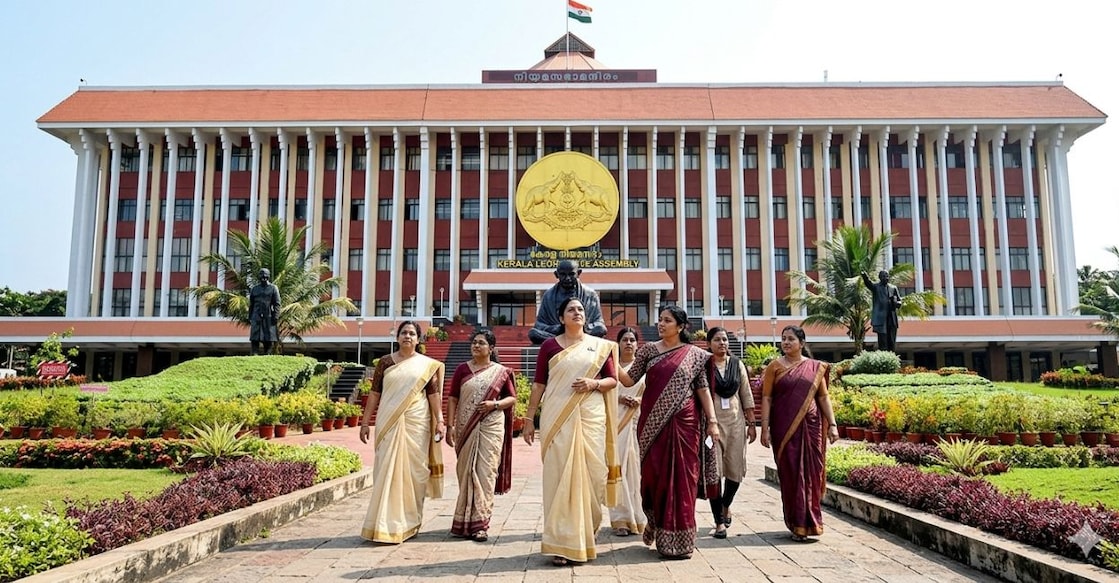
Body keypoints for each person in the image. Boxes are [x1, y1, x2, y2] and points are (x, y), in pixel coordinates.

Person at [617, 305, 721, 560]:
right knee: (653, 478)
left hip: (685, 425)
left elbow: (703, 389)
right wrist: (607, 356)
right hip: (652, 426)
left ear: (681, 326)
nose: (660, 324)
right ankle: (654, 519)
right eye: (660, 320)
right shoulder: (649, 351)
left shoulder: (695, 355)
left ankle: (680, 540)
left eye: (667, 320)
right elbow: (629, 380)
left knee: (683, 480)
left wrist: (713, 421)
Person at [522, 297, 620, 566]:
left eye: (580, 309)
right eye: (570, 310)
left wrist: (592, 382)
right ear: (561, 317)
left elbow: (612, 380)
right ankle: (561, 542)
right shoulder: (549, 347)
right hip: (558, 417)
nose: (577, 313)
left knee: (592, 474)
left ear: (586, 317)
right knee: (558, 476)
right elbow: (539, 384)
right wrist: (530, 418)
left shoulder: (599, 347)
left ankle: (586, 534)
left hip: (591, 415)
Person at [358, 321, 447, 544]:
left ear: (418, 339)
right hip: (389, 422)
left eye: (412, 333)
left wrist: (440, 420)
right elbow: (375, 394)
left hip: (417, 424)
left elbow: (433, 395)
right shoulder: (385, 363)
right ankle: (382, 524)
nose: (407, 336)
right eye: (403, 333)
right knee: (386, 469)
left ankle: (409, 522)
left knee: (414, 472)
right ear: (397, 337)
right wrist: (365, 422)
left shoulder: (426, 365)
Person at [759, 325, 840, 542]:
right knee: (791, 474)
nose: (786, 342)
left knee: (812, 474)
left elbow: (823, 398)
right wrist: (764, 428)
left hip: (812, 427)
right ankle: (796, 523)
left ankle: (811, 522)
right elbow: (767, 398)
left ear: (802, 343)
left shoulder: (815, 367)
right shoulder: (774, 367)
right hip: (784, 427)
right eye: (784, 339)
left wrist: (832, 424)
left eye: (791, 339)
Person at [446, 329, 516, 543]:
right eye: (474, 343)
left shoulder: (501, 371)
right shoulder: (461, 370)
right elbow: (452, 399)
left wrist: (494, 404)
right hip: (465, 427)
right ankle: (463, 522)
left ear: (491, 348)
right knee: (466, 472)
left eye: (481, 343)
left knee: (485, 474)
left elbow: (512, 399)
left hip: (491, 426)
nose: (476, 346)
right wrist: (450, 426)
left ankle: (481, 524)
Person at [705, 326, 757, 539]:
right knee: (714, 473)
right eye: (717, 340)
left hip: (736, 423)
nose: (722, 343)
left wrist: (752, 424)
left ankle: (726, 505)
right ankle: (719, 522)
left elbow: (746, 393)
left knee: (735, 471)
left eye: (725, 339)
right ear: (709, 344)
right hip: (712, 425)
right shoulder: (704, 366)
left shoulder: (738, 365)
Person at [608, 326, 647, 537]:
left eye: (632, 340)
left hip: (636, 423)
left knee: (636, 472)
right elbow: (602, 395)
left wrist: (639, 400)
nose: (629, 343)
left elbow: (651, 395)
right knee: (617, 469)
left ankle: (639, 517)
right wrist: (620, 398)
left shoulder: (643, 370)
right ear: (618, 344)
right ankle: (619, 519)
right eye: (625, 340)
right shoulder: (611, 369)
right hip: (615, 424)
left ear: (637, 344)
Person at [528, 259, 607, 345]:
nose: (567, 278)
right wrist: (558, 328)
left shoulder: (590, 294)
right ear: (556, 274)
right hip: (557, 333)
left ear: (578, 273)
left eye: (571, 274)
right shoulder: (548, 295)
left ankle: (569, 339)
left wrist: (580, 327)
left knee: (600, 330)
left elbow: (599, 323)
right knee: (533, 333)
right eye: (563, 274)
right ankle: (566, 339)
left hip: (582, 332)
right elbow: (539, 325)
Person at [861, 270, 902, 352]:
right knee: (883, 341)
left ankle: (892, 358)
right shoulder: (876, 287)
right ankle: (884, 358)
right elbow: (868, 283)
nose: (886, 278)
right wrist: (865, 276)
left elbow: (899, 301)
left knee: (892, 341)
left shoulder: (893, 288)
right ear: (880, 278)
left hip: (891, 317)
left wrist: (896, 303)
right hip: (881, 318)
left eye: (887, 276)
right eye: (883, 276)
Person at [248, 268, 280, 355]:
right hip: (256, 316)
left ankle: (267, 355)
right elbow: (251, 304)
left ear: (268, 276)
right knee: (255, 338)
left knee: (268, 339)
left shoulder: (273, 288)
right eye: (261, 275)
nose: (263, 277)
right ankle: (254, 355)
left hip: (269, 316)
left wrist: (276, 316)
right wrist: (250, 316)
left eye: (265, 275)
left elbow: (277, 304)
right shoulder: (255, 289)